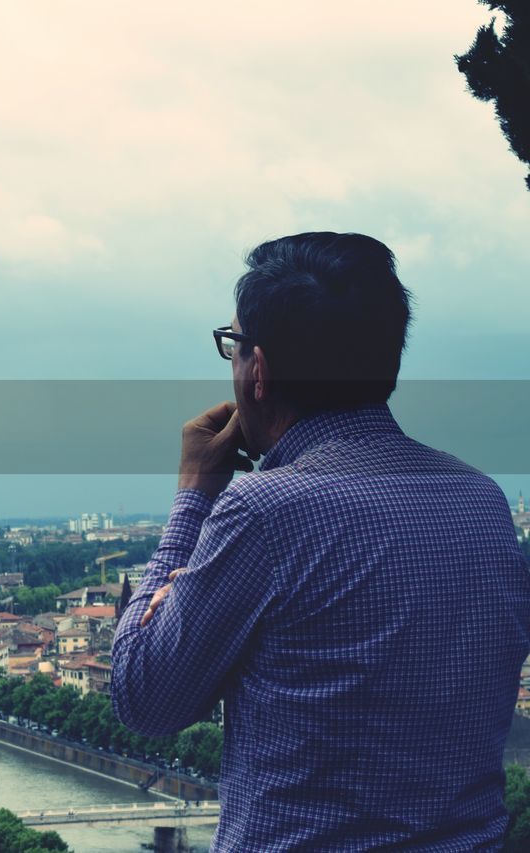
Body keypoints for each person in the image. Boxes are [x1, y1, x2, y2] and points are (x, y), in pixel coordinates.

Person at [110, 232, 530, 850]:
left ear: (259, 371)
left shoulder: (264, 510)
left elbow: (144, 698)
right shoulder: (482, 502)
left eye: (232, 346)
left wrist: (194, 495)